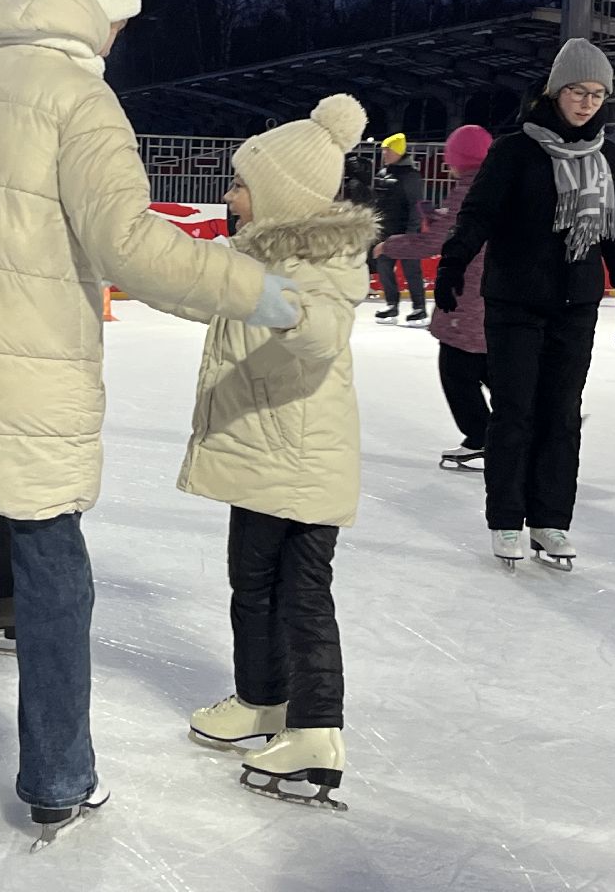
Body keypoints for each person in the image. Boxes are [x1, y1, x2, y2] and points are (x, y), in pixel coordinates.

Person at [0, 0, 299, 845]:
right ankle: (59, 774)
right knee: (53, 572)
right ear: (92, 8)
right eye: (120, 19)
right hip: (29, 383)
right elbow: (129, 245)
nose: (119, 37)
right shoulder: (77, 98)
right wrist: (250, 288)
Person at [179, 94, 376, 808]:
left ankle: (318, 731)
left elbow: (324, 331)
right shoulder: (252, 251)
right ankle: (263, 700)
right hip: (267, 455)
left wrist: (281, 307)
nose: (229, 197)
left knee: (302, 595)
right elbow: (195, 286)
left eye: (239, 185)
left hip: (301, 458)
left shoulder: (325, 260)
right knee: (251, 583)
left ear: (278, 196)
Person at [436, 39, 615, 571]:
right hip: (515, 302)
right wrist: (452, 265)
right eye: (578, 91)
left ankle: (551, 520)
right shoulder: (516, 151)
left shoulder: (608, 159)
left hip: (577, 305)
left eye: (598, 94)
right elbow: (477, 215)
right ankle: (506, 519)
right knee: (515, 413)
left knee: (562, 416)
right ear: (556, 90)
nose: (587, 102)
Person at [379, 125, 494, 469]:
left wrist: (390, 245)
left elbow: (436, 243)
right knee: (490, 365)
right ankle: (536, 423)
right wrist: (439, 218)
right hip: (493, 293)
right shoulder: (496, 184)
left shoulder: (468, 189)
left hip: (468, 293)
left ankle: (482, 437)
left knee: (458, 370)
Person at [371, 132, 427, 325]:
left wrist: (411, 233)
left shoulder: (411, 176)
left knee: (412, 270)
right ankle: (391, 305)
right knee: (384, 267)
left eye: (388, 150)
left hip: (405, 231)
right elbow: (377, 204)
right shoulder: (382, 174)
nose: (384, 153)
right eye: (383, 150)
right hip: (385, 231)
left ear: (397, 151)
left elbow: (415, 206)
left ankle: (419, 309)